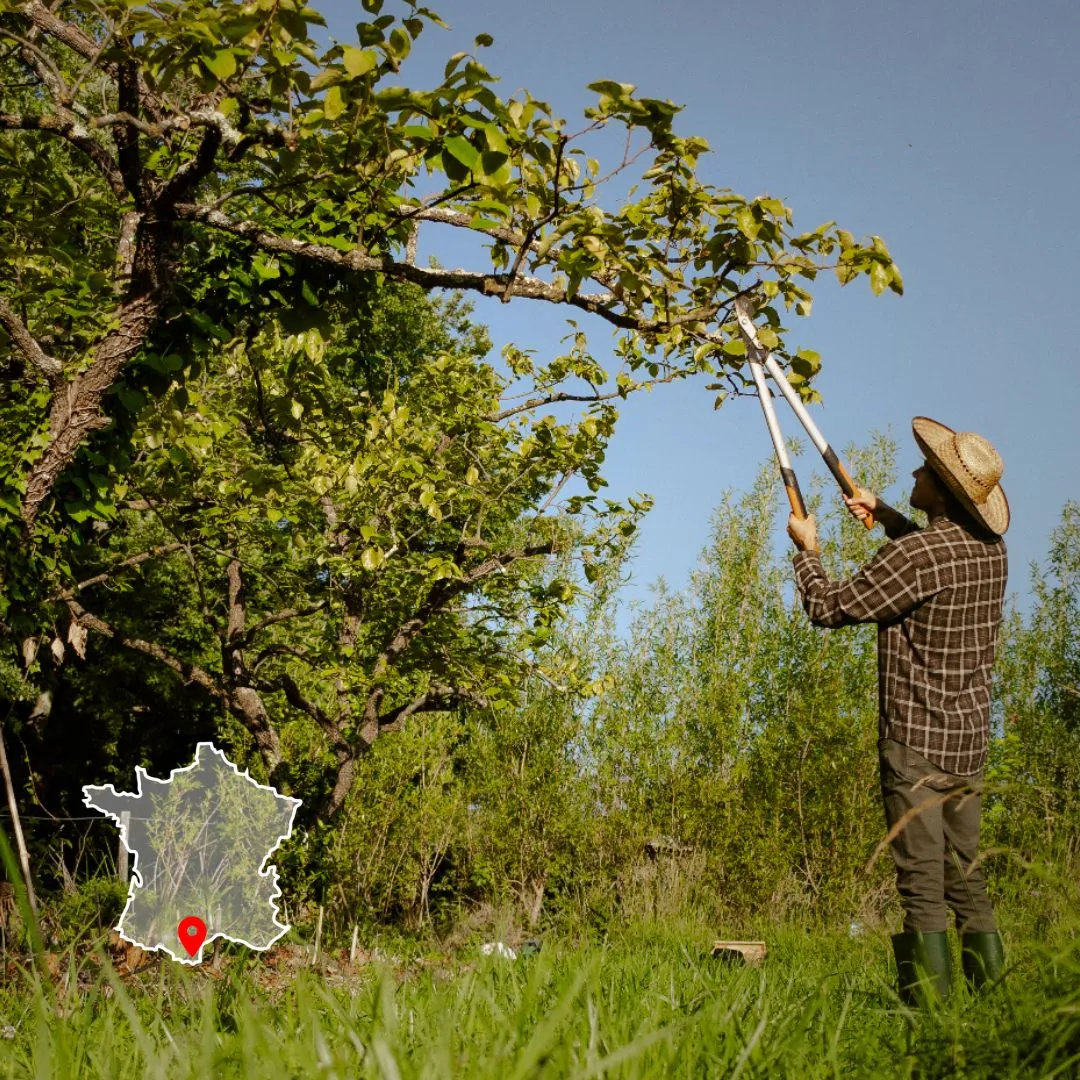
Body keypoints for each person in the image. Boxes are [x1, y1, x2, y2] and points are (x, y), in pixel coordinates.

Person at [786, 417, 1009, 1003]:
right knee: (967, 880)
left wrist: (806, 553)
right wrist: (888, 518)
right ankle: (994, 1011)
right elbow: (933, 560)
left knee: (922, 887)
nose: (914, 471)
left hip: (914, 746)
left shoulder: (917, 556)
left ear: (942, 489)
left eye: (925, 470)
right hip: (967, 746)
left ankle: (930, 1023)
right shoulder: (991, 551)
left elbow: (830, 607)